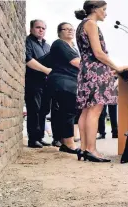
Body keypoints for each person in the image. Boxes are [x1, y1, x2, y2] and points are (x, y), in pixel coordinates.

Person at [74, 0, 124, 162]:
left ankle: (83, 148)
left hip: (86, 70)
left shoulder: (82, 24)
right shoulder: (91, 24)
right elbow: (98, 52)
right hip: (96, 71)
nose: (105, 13)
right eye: (104, 9)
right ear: (95, 9)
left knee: (86, 110)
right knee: (95, 111)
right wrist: (116, 66)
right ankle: (91, 149)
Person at [46, 22, 81, 155]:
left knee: (65, 112)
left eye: (72, 29)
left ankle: (63, 141)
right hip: (63, 81)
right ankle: (69, 143)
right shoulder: (60, 43)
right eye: (66, 29)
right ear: (59, 32)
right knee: (68, 111)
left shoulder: (73, 47)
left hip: (69, 81)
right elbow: (76, 62)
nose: (70, 31)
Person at [24, 19, 52, 148]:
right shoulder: (28, 41)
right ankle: (33, 139)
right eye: (38, 27)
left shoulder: (48, 46)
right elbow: (28, 59)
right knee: (34, 109)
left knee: (43, 110)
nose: (41, 30)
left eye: (43, 28)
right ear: (31, 29)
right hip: (33, 81)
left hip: (46, 83)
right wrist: (46, 70)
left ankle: (40, 137)